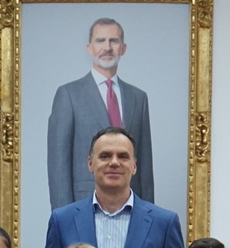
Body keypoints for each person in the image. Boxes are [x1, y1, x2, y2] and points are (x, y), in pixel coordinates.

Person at [36, 127, 184, 248]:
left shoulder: (164, 222)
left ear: (134, 166)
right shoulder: (62, 220)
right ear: (90, 163)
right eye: (105, 156)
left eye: (123, 156)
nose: (114, 162)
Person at [46, 17, 155, 209]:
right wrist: (63, 218)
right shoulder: (69, 95)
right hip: (84, 206)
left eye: (113, 41)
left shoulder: (138, 98)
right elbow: (58, 166)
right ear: (89, 48)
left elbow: (144, 167)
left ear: (123, 48)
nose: (107, 47)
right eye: (100, 41)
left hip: (131, 206)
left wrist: (149, 215)